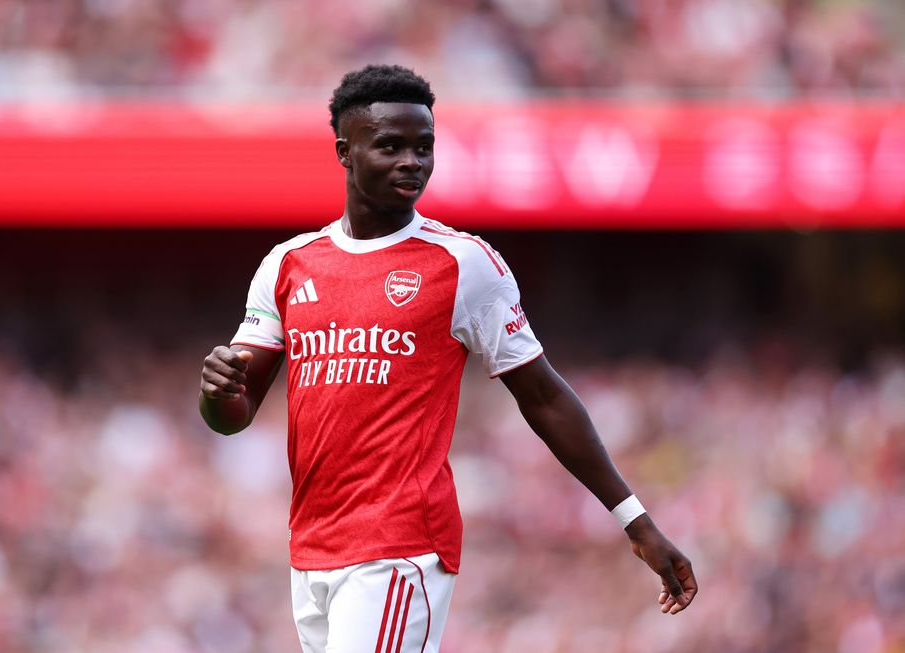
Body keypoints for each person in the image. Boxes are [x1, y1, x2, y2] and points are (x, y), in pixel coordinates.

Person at [199, 64, 697, 652]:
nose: (413, 161)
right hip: (311, 549)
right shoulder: (288, 264)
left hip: (401, 546)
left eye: (424, 147)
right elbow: (233, 415)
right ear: (344, 152)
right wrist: (215, 391)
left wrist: (636, 523)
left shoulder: (464, 264)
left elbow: (543, 397)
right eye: (391, 146)